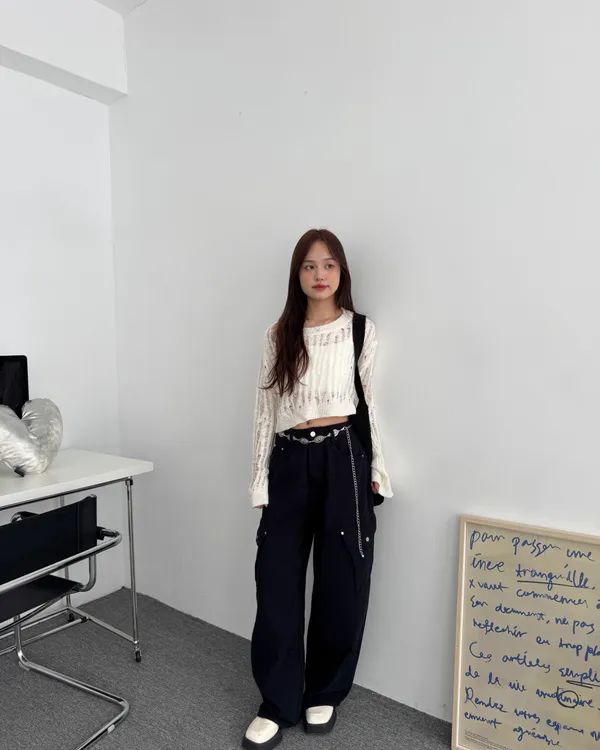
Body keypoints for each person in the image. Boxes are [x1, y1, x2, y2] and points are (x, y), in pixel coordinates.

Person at [243, 228, 393, 750]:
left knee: (342, 581)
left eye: (328, 265)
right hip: (289, 460)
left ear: (341, 272)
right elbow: (265, 410)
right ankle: (276, 702)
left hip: (343, 457)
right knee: (276, 581)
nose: (319, 274)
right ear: (297, 275)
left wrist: (379, 467)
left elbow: (370, 402)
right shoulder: (278, 334)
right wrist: (258, 478)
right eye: (309, 266)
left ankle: (324, 690)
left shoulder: (360, 330)